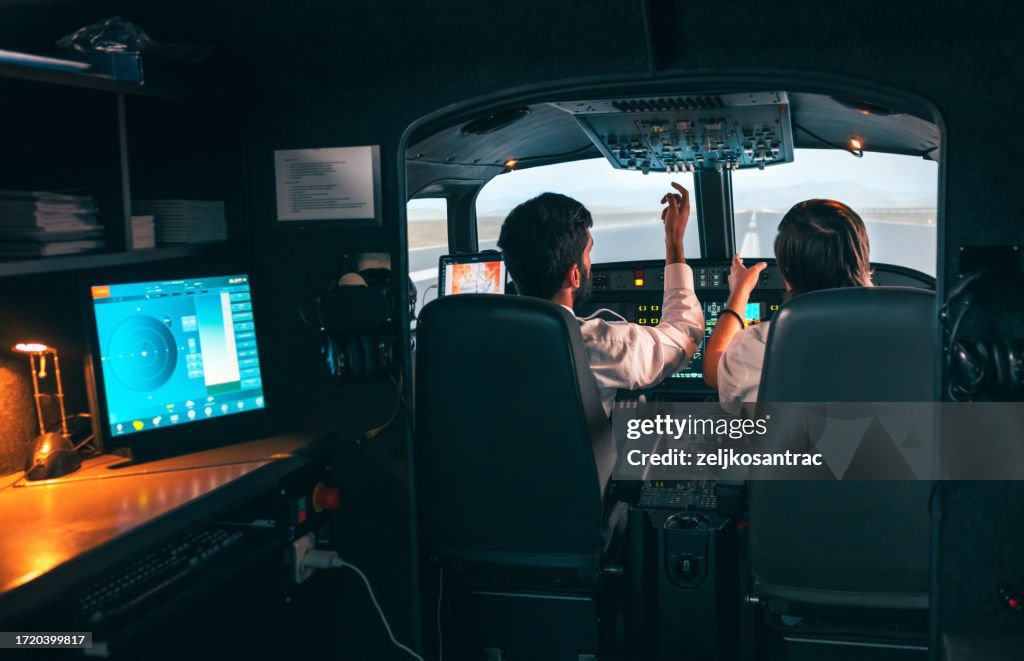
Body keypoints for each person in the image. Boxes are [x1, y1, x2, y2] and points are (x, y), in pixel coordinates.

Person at [497, 183, 704, 416]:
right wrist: (674, 241)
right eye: (588, 253)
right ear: (575, 276)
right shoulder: (598, 345)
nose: (590, 263)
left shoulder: (480, 340)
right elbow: (685, 335)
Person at [703, 199, 873, 410]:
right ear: (863, 258)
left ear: (787, 275)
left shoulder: (762, 345)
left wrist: (739, 293)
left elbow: (713, 371)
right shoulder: (915, 330)